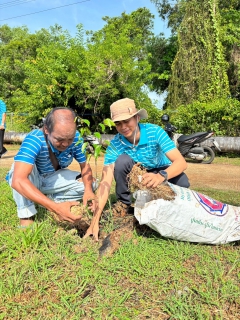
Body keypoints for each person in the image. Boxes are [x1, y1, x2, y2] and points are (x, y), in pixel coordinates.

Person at [84, 98, 190, 240]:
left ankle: (156, 201)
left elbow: (181, 163)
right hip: (139, 173)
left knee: (183, 182)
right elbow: (105, 182)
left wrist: (160, 176)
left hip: (161, 170)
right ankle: (124, 204)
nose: (123, 127)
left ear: (137, 118)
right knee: (121, 161)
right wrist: (94, 221)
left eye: (127, 121)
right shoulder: (116, 144)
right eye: (118, 123)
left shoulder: (155, 132)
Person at [7, 107, 96, 228]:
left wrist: (89, 191)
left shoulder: (76, 138)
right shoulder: (34, 139)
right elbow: (18, 180)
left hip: (53, 179)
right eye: (59, 139)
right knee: (17, 171)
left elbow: (85, 166)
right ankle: (26, 215)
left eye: (69, 139)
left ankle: (46, 199)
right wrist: (56, 209)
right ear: (47, 129)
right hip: (34, 179)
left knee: (92, 184)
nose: (65, 144)